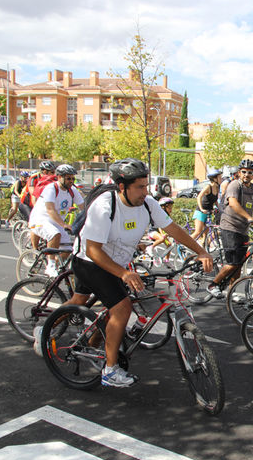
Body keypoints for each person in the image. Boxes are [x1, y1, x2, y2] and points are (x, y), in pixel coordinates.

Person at [73, 158, 213, 387]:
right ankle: (109, 371)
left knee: (109, 307)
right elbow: (92, 250)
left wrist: (201, 251)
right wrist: (124, 274)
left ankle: (91, 342)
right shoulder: (105, 206)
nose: (144, 191)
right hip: (91, 262)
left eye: (146, 185)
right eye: (139, 187)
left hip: (117, 264)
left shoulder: (148, 203)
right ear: (122, 187)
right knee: (121, 308)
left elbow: (173, 229)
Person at [207, 159, 253, 298]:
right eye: (244, 172)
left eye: (250, 172)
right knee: (233, 262)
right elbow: (233, 203)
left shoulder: (252, 188)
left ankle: (231, 292)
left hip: (243, 229)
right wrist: (249, 218)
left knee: (239, 264)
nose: (247, 175)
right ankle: (213, 285)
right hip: (230, 227)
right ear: (239, 173)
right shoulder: (234, 185)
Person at [28, 164, 85, 277]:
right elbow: (50, 210)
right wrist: (64, 224)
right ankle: (51, 266)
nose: (71, 181)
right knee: (55, 235)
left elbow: (83, 207)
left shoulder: (72, 190)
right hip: (40, 219)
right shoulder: (51, 188)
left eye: (73, 178)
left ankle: (57, 269)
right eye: (68, 178)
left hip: (56, 223)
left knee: (68, 249)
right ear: (59, 177)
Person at [192, 168, 222, 243]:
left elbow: (215, 200)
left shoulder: (217, 188)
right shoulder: (208, 187)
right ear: (214, 178)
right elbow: (199, 197)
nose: (221, 179)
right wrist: (201, 209)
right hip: (201, 212)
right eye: (219, 177)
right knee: (198, 232)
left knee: (206, 233)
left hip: (208, 213)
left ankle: (203, 249)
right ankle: (183, 244)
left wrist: (219, 209)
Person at [145, 196, 175, 267]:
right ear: (163, 207)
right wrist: (163, 234)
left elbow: (170, 225)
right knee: (162, 238)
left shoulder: (167, 215)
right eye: (169, 207)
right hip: (152, 232)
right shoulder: (160, 214)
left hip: (160, 232)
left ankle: (166, 260)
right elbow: (159, 226)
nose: (171, 209)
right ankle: (150, 247)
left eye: (171, 207)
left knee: (169, 245)